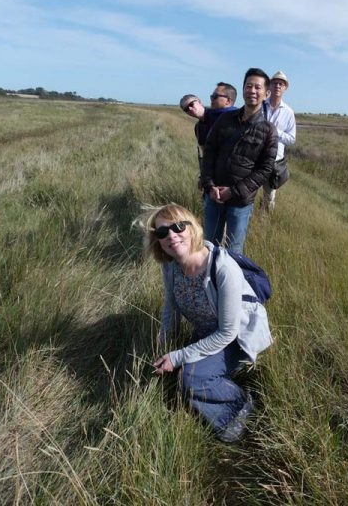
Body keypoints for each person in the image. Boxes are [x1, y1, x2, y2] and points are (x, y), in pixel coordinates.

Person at [144, 203, 272, 442]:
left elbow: (227, 332)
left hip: (236, 338)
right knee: (181, 376)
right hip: (206, 333)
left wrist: (179, 356)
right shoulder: (171, 266)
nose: (171, 235)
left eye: (178, 227)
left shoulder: (222, 268)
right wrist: (162, 342)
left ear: (192, 229)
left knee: (191, 378)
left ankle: (241, 406)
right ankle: (217, 391)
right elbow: (170, 307)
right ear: (158, 241)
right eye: (162, 233)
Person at [200, 68, 278, 253]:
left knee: (234, 252)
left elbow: (265, 169)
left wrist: (234, 191)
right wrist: (209, 185)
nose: (252, 91)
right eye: (248, 86)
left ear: (266, 93)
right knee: (209, 247)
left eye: (257, 87)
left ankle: (231, 282)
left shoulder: (268, 130)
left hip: (240, 202)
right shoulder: (225, 119)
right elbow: (209, 151)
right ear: (243, 89)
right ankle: (210, 282)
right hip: (214, 197)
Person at [179, 83, 238, 176]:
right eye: (186, 109)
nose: (190, 109)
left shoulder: (230, 116)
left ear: (199, 101)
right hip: (214, 178)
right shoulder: (198, 128)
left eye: (191, 104)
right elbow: (206, 153)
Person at [261, 71, 296, 212]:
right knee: (247, 192)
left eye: (281, 84)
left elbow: (291, 139)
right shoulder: (260, 106)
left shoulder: (288, 112)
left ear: (285, 88)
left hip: (274, 160)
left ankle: (263, 224)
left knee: (269, 196)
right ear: (269, 85)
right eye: (275, 82)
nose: (278, 86)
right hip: (255, 157)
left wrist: (276, 131)